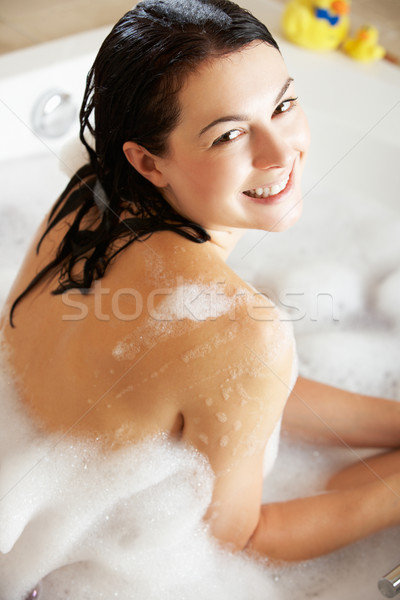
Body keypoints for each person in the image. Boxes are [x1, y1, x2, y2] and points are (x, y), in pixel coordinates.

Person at [0, 0, 399, 596]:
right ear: (147, 160)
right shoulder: (238, 328)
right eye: (230, 134)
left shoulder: (92, 194)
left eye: (284, 105)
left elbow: (211, 386)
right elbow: (239, 539)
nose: (279, 151)